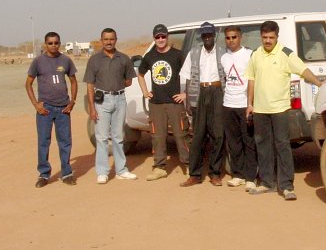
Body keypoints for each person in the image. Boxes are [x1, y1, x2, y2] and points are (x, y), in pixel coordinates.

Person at [245, 21, 322, 201]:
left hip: (280, 109)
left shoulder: (286, 54)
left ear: (277, 37)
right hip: (260, 110)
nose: (268, 41)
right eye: (265, 37)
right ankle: (267, 183)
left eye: (271, 37)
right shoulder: (256, 55)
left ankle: (286, 186)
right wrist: (250, 103)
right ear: (261, 37)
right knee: (263, 147)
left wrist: (319, 83)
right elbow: (251, 80)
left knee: (282, 146)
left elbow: (303, 70)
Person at [83, 28, 138, 184]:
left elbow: (129, 81)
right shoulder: (94, 60)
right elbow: (89, 85)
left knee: (119, 136)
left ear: (116, 40)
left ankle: (121, 170)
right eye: (106, 39)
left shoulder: (124, 59)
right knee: (101, 138)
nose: (109, 42)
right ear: (101, 40)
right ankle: (102, 171)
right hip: (102, 101)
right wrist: (92, 108)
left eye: (111, 39)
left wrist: (117, 84)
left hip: (120, 99)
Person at [137, 24, 190, 181]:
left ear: (167, 37)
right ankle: (159, 167)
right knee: (157, 136)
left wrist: (185, 94)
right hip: (156, 103)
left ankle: (188, 165)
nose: (160, 39)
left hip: (175, 103)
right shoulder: (150, 57)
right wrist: (145, 92)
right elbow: (140, 75)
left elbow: (191, 74)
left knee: (181, 134)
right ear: (154, 39)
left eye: (163, 36)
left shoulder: (178, 55)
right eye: (157, 37)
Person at [25, 32, 78, 188]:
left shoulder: (66, 60)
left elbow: (73, 81)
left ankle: (66, 173)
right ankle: (44, 174)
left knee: (65, 142)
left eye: (56, 43)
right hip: (45, 109)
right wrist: (36, 104)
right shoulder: (38, 62)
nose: (53, 45)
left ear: (59, 43)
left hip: (63, 109)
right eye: (50, 43)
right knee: (43, 142)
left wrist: (72, 102)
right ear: (45, 44)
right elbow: (28, 84)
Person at [179, 22, 226, 187]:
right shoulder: (194, 53)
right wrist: (187, 99)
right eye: (204, 35)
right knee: (198, 136)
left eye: (209, 35)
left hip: (217, 92)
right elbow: (186, 76)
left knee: (218, 135)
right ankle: (195, 174)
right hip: (199, 93)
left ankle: (215, 174)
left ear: (214, 35)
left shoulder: (222, 52)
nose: (207, 38)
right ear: (201, 37)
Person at [220, 26, 257, 191]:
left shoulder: (249, 55)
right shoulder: (223, 58)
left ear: (240, 37)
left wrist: (251, 103)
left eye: (234, 37)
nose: (231, 40)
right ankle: (238, 175)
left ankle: (251, 177)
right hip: (228, 104)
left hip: (244, 104)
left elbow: (252, 80)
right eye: (228, 38)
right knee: (233, 142)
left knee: (248, 141)